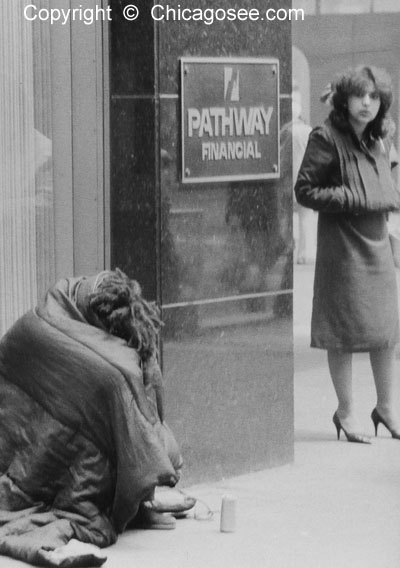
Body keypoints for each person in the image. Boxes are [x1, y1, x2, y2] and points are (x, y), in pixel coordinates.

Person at [0, 269, 194, 567]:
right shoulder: (109, 371)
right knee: (119, 409)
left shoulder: (66, 302)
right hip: (30, 450)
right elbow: (143, 435)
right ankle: (128, 503)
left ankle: (134, 502)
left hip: (38, 447)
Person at [295, 65, 400, 443]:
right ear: (344, 99)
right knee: (342, 332)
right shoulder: (326, 137)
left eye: (374, 97)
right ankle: (346, 411)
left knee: (385, 331)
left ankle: (387, 407)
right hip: (343, 250)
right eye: (359, 95)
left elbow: (389, 184)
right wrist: (346, 196)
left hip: (378, 245)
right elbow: (304, 190)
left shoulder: (382, 138)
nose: (367, 103)